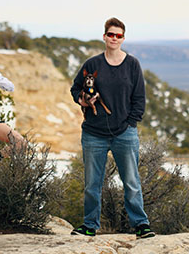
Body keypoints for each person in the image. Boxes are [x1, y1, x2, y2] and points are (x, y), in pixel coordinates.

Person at [70, 17, 155, 239]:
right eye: (111, 34)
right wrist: (83, 100)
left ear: (123, 38)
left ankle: (141, 225)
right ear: (104, 36)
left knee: (131, 182)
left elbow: (139, 98)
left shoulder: (132, 64)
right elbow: (75, 88)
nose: (114, 39)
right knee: (92, 184)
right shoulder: (92, 64)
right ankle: (90, 225)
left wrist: (130, 124)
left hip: (124, 133)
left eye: (118, 35)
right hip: (93, 133)